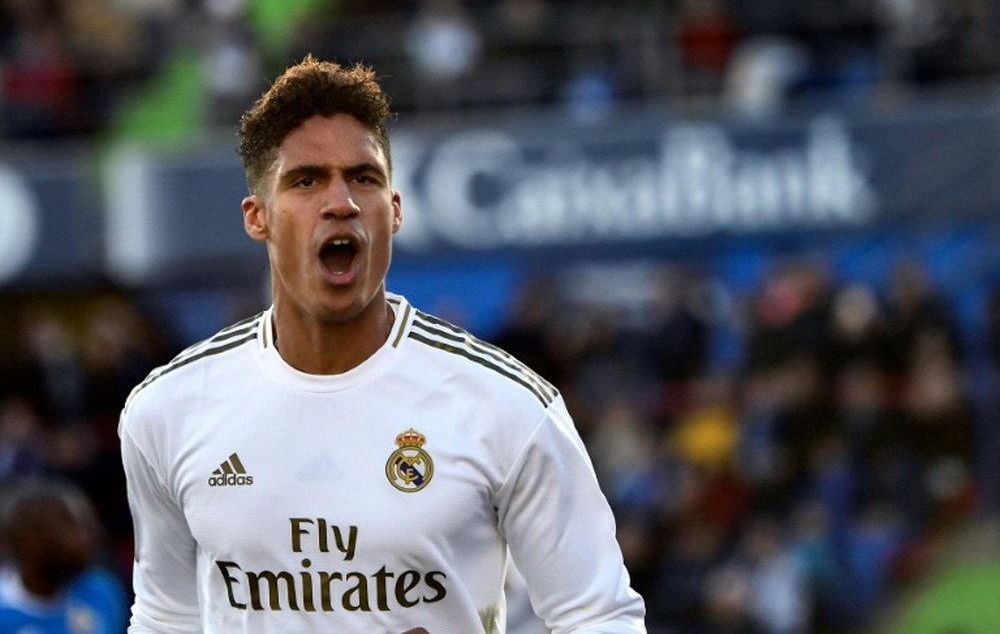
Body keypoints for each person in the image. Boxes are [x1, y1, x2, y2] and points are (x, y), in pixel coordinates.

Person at [118, 55, 646, 632]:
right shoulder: (167, 412)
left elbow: (599, 616)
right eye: (306, 179)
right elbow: (166, 617)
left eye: (363, 178)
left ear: (393, 210)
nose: (340, 201)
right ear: (258, 216)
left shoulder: (510, 408)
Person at [0, 476, 128, 633]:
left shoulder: (101, 590)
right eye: (68, 527)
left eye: (84, 526)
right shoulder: (4, 615)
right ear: (28, 540)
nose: (84, 539)